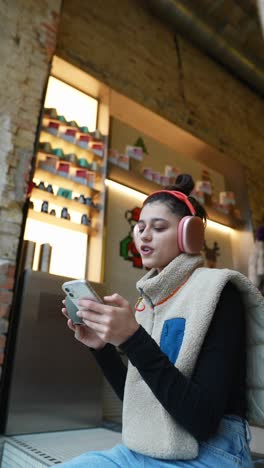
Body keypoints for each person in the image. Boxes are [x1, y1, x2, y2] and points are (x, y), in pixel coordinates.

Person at [55, 173, 260, 467]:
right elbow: (143, 402)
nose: (144, 235)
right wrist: (102, 348)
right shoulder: (148, 301)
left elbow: (202, 420)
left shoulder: (219, 292)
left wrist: (132, 339)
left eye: (158, 227)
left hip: (214, 451)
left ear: (188, 234)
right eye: (140, 227)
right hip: (148, 446)